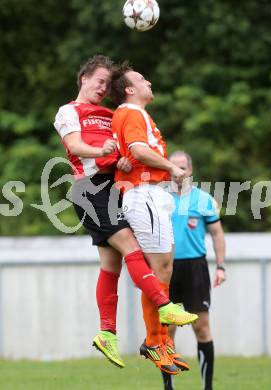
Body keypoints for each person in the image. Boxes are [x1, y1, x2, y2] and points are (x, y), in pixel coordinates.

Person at [53, 55, 196, 370]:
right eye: (99, 81)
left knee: (111, 264)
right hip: (89, 189)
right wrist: (101, 152)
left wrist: (122, 161)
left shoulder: (110, 114)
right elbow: (75, 146)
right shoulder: (69, 111)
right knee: (131, 246)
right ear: (84, 79)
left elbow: (120, 151)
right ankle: (165, 306)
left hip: (112, 186)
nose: (104, 88)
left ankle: (107, 333)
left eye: (107, 83)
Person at [110, 64, 198, 375]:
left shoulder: (137, 114)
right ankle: (155, 341)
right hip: (143, 194)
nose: (149, 80)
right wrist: (172, 168)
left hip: (151, 194)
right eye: (141, 79)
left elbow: (130, 153)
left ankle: (160, 341)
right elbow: (137, 149)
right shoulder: (132, 112)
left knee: (163, 268)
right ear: (130, 89)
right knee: (159, 268)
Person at [163, 150, 226, 390]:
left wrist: (220, 266)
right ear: (168, 169)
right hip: (165, 267)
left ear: (190, 170)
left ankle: (207, 387)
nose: (179, 172)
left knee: (201, 327)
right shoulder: (159, 198)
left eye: (182, 167)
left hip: (195, 267)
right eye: (174, 167)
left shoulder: (204, 199)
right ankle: (168, 386)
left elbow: (217, 233)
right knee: (166, 330)